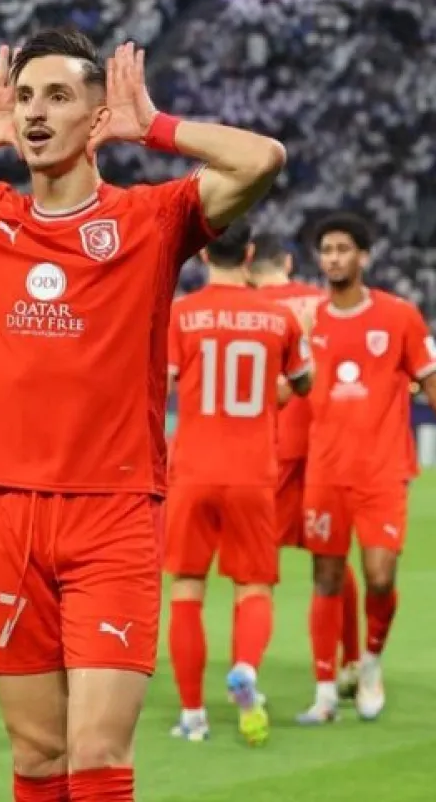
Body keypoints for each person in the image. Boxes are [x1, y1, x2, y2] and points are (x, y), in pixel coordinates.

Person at [0, 28, 286, 801]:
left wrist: (156, 127)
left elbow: (261, 159)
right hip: (5, 517)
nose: (35, 112)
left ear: (98, 117)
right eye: (27, 97)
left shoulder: (151, 220)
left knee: (98, 754)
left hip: (112, 517)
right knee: (38, 757)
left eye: (59, 96)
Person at [296, 212, 436, 725]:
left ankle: (371, 664)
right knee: (326, 576)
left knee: (379, 577)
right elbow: (289, 389)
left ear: (364, 257)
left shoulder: (399, 316)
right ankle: (325, 692)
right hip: (325, 471)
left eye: (343, 249)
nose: (333, 258)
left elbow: (435, 383)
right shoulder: (309, 320)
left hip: (382, 471)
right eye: (326, 250)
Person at [165, 224, 311, 746]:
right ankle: (245, 670)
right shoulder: (279, 317)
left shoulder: (180, 315)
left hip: (193, 470)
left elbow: (159, 385)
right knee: (253, 586)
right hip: (253, 472)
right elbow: (304, 384)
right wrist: (274, 392)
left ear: (203, 253)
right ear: (249, 254)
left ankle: (192, 715)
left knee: (187, 589)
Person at [250, 233, 363, 697]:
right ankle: (351, 659)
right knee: (332, 559)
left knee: (256, 570)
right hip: (323, 448)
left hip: (267, 448)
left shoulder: (248, 310)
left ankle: (246, 669)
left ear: (248, 263)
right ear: (289, 262)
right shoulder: (323, 303)